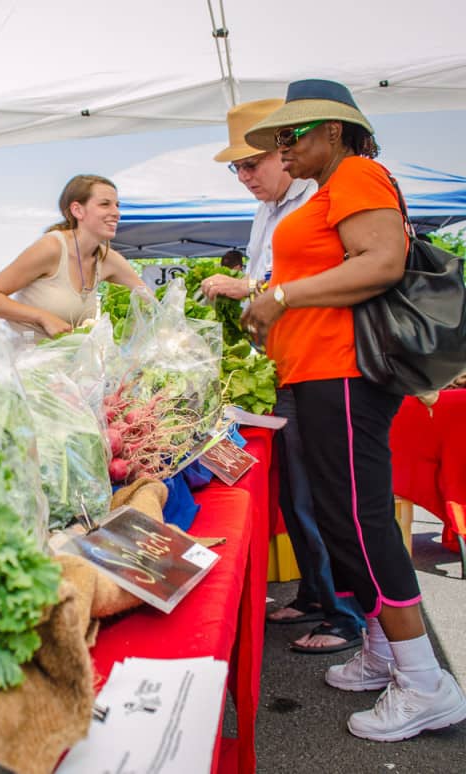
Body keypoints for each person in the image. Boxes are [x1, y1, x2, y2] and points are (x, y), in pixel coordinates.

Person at [241, 78, 466, 741]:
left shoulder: (361, 174)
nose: (283, 149)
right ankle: (382, 650)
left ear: (333, 129)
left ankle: (424, 682)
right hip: (317, 374)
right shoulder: (330, 187)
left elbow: (382, 262)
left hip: (344, 376)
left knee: (362, 523)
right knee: (343, 522)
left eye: (291, 134)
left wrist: (280, 298)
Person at [202, 99, 365, 655]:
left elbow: (311, 278)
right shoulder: (267, 211)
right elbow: (264, 278)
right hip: (284, 363)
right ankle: (319, 594)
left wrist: (246, 290)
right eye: (237, 169)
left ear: (285, 150)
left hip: (323, 363)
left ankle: (348, 615)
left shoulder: (323, 194)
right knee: (296, 490)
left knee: (322, 493)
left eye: (253, 164)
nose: (245, 177)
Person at [0, 174, 147, 338]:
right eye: (105, 204)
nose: (116, 212)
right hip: (22, 360)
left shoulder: (108, 259)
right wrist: (42, 317)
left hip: (64, 364)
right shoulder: (51, 247)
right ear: (77, 210)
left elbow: (150, 302)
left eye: (117, 205)